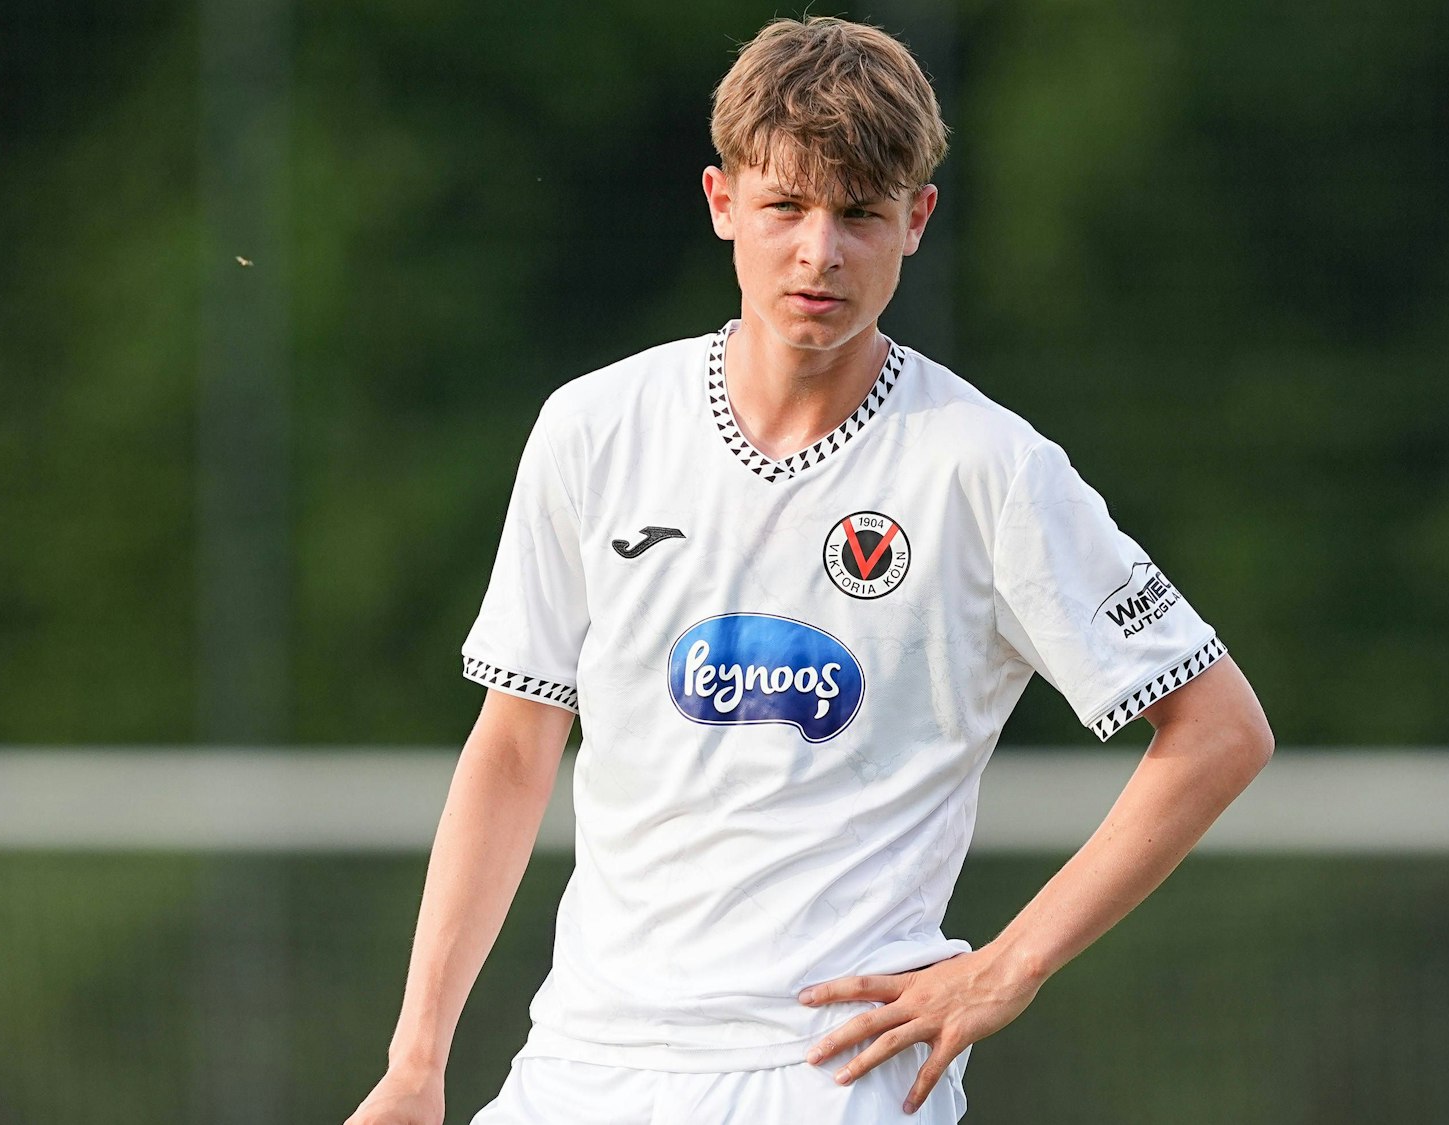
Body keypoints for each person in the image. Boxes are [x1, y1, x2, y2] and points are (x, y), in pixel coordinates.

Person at [346, 16, 1272, 1125]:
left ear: (916, 220)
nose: (817, 253)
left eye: (859, 215)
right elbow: (512, 743)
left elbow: (1218, 729)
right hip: (582, 1066)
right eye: (784, 206)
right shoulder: (594, 428)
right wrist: (417, 1059)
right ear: (721, 201)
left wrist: (1007, 965)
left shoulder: (987, 468)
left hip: (832, 1076)